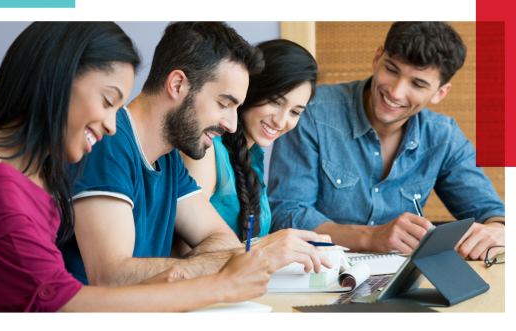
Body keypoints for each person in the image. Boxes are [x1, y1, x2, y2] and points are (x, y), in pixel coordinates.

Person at [0, 21, 270, 313]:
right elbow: (65, 299)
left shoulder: (36, 177)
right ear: (57, 80)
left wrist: (185, 275)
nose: (109, 124)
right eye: (107, 101)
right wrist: (218, 283)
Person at [60, 21, 332, 287]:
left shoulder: (168, 159)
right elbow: (111, 276)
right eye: (224, 104)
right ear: (177, 85)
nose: (232, 125)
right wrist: (256, 254)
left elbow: (222, 239)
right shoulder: (109, 140)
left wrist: (241, 255)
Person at [269, 21, 505, 260]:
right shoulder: (312, 112)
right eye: (391, 70)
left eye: (417, 84)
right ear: (377, 57)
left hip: (404, 284)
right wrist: (371, 237)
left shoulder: (443, 136)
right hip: (320, 276)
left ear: (440, 93)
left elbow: (493, 214)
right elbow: (286, 215)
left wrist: (496, 232)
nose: (395, 91)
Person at [178, 39, 332, 255]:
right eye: (276, 102)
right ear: (251, 89)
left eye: (295, 112)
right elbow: (182, 257)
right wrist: (268, 247)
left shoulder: (253, 158)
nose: (280, 121)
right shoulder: (206, 150)